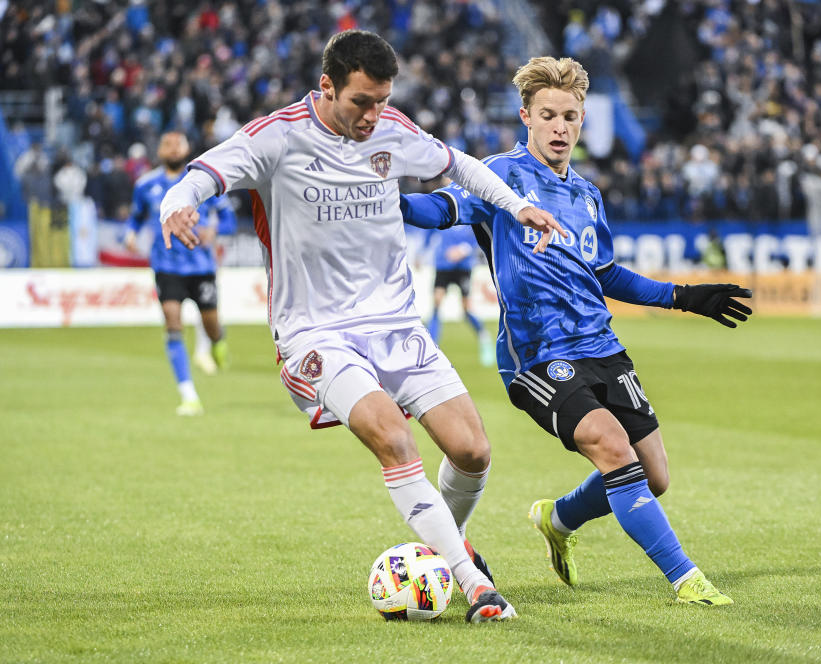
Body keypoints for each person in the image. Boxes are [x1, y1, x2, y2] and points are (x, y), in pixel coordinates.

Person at [159, 30, 564, 622]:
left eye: (382, 100)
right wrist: (179, 201)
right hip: (316, 333)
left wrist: (514, 204)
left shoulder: (393, 129)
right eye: (361, 102)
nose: (375, 115)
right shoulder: (280, 136)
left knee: (473, 451)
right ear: (327, 87)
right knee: (394, 440)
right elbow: (205, 171)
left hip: (398, 325)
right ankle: (473, 582)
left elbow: (461, 166)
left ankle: (444, 547)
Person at [400, 56, 753, 606]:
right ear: (526, 117)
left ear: (582, 121)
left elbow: (606, 273)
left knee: (653, 475)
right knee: (614, 450)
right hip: (537, 357)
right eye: (549, 115)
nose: (561, 126)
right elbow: (438, 208)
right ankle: (686, 578)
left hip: (603, 348)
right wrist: (386, 200)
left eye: (571, 116)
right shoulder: (501, 178)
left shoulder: (587, 195)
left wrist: (686, 297)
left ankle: (558, 518)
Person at [124, 131, 235, 416]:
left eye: (178, 143)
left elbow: (229, 217)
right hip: (166, 267)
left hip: (201, 267)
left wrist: (215, 230)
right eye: (167, 143)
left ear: (187, 148)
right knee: (173, 324)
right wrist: (130, 234)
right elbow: (135, 216)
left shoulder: (202, 183)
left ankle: (218, 344)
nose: (173, 148)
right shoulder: (146, 184)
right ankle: (188, 395)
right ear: (159, 150)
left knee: (211, 326)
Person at [426, 223, 496, 366]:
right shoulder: (440, 217)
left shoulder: (466, 217)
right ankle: (432, 348)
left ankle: (484, 336)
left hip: (463, 267)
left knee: (465, 309)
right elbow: (429, 234)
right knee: (437, 304)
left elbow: (478, 238)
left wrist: (463, 250)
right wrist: (422, 253)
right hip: (443, 265)